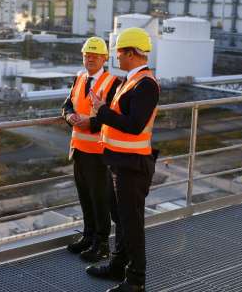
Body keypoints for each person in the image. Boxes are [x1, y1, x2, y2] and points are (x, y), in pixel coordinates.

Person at [86, 27, 160, 292]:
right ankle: (118, 265)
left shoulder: (145, 84)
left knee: (132, 223)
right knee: (120, 218)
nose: (116, 56)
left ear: (131, 53)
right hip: (118, 161)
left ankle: (136, 280)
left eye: (118, 51)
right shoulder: (130, 81)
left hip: (132, 164)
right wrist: (102, 111)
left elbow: (135, 125)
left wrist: (102, 111)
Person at [62, 37, 121, 262]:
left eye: (95, 56)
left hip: (99, 153)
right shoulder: (79, 77)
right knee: (85, 197)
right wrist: (69, 116)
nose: (90, 60)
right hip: (79, 150)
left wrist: (92, 123)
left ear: (105, 58)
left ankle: (102, 244)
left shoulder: (112, 82)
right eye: (87, 56)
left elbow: (114, 117)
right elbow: (67, 104)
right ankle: (88, 237)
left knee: (100, 200)